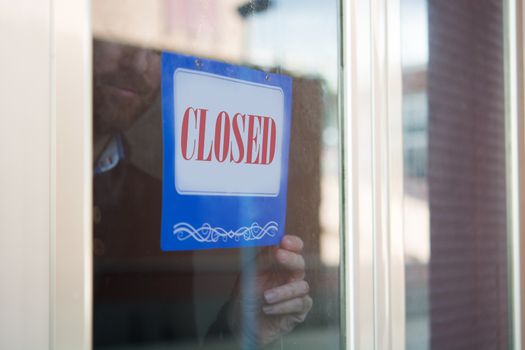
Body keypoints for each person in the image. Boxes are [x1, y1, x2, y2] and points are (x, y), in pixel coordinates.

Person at [93, 39, 312, 348]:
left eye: (157, 50)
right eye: (121, 37)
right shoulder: (21, 187)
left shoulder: (157, 208)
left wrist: (240, 331)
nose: (138, 64)